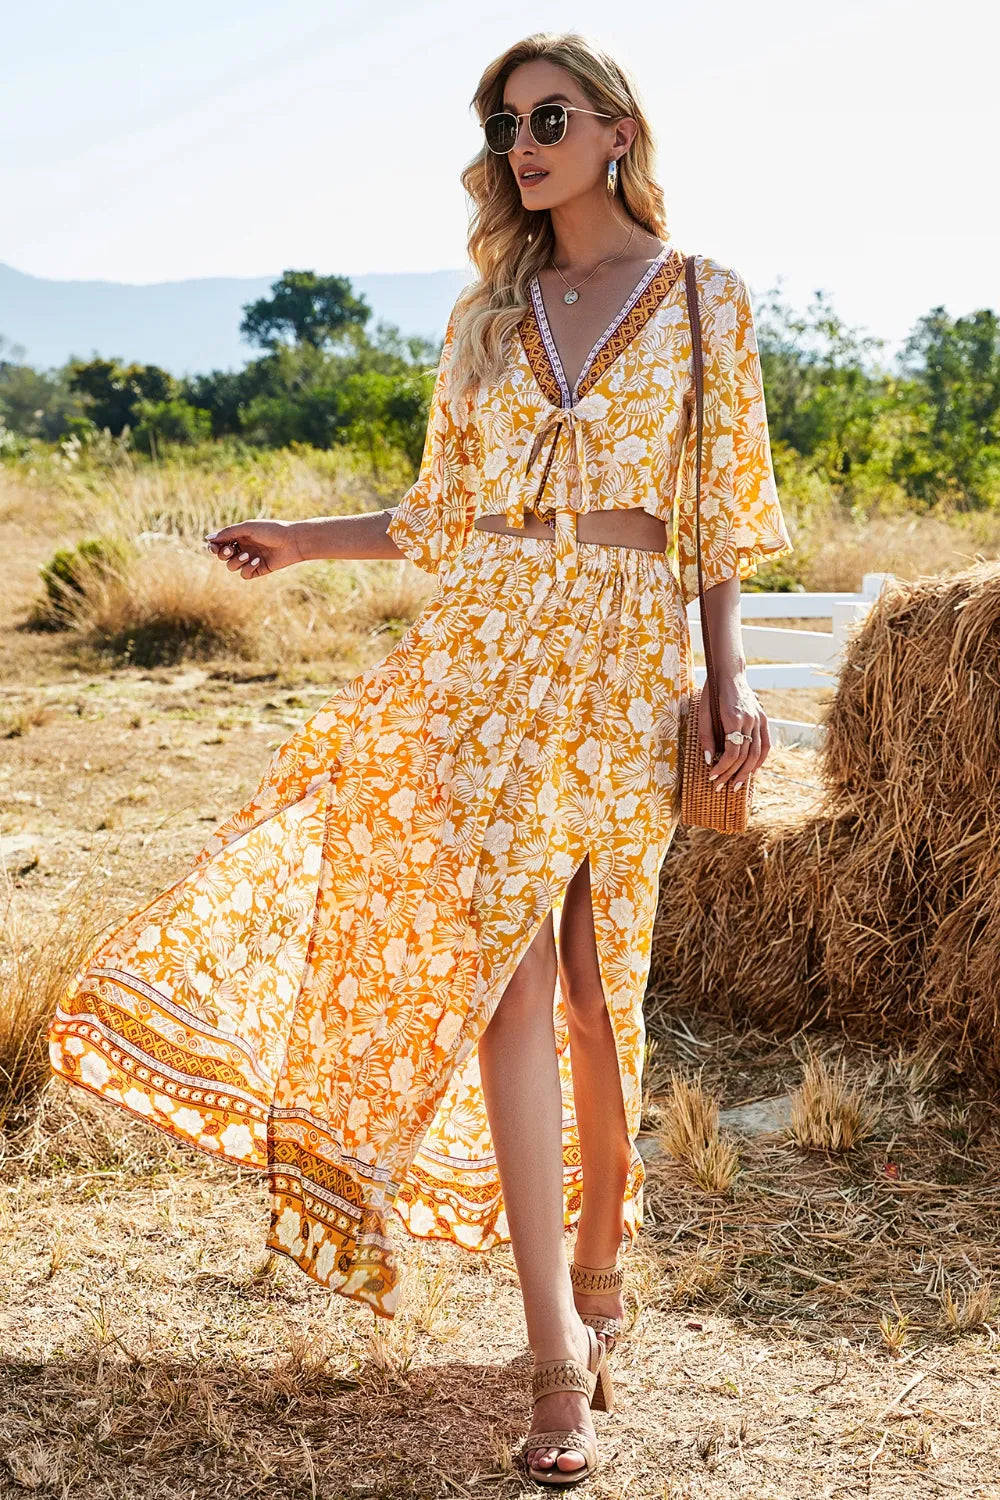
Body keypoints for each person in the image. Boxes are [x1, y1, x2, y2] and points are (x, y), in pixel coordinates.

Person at [48, 29, 793, 1488]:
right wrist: (301, 541)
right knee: (510, 979)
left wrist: (732, 669)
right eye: (505, 122)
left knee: (596, 995)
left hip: (629, 656)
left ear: (618, 130)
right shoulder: (487, 315)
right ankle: (555, 1361)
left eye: (549, 116)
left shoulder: (708, 301)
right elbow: (441, 513)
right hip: (488, 657)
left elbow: (721, 515)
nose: (523, 142)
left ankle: (601, 1267)